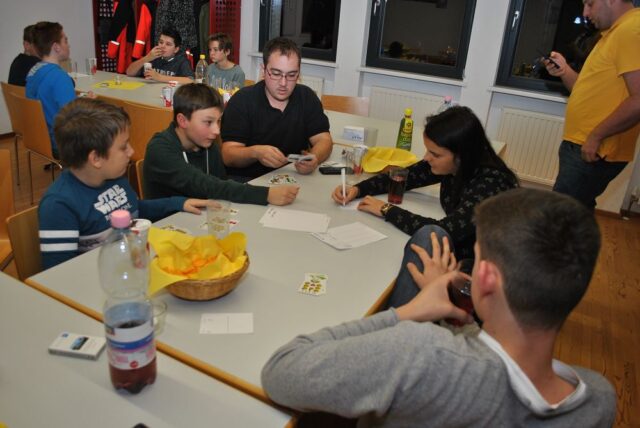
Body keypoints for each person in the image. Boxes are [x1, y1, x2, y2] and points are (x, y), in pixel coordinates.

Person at [262, 188, 616, 427]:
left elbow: (281, 371)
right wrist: (458, 321)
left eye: (474, 261)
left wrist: (407, 312)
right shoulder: (600, 399)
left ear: (487, 278)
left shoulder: (419, 354)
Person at [333, 106, 518, 306]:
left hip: (481, 276)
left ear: (461, 155)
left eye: (435, 154)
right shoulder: (455, 165)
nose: (427, 158)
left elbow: (442, 231)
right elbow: (405, 175)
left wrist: (387, 209)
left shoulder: (490, 184)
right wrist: (359, 189)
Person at [38, 98, 209, 269]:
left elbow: (133, 209)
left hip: (129, 265)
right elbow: (59, 274)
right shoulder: (59, 205)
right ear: (96, 158)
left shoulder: (113, 177)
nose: (132, 151)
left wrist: (178, 203)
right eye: (123, 147)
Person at [544, 0, 640, 209]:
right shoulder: (612, 34)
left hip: (595, 147)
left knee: (559, 217)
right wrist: (564, 71)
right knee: (577, 214)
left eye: (590, 4)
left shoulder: (631, 31)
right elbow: (585, 89)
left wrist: (596, 136)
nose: (585, 13)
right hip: (584, 145)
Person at [144, 83, 299, 205]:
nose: (217, 130)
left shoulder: (207, 144)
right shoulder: (160, 149)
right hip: (167, 227)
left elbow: (221, 184)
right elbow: (207, 185)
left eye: (218, 121)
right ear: (182, 120)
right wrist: (266, 194)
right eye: (208, 122)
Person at [221, 37, 333, 180]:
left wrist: (315, 157)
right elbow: (228, 155)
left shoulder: (307, 97)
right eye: (276, 73)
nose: (283, 83)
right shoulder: (242, 101)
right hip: (248, 183)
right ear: (263, 70)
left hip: (292, 179)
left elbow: (324, 139)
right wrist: (255, 153)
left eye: (292, 75)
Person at [26, 21, 83, 157]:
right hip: (63, 142)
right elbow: (74, 118)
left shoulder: (33, 72)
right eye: (65, 40)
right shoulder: (59, 77)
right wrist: (89, 104)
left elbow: (50, 101)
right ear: (56, 47)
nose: (68, 45)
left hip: (42, 139)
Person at [126, 27, 194, 84]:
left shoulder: (181, 60)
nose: (162, 46)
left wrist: (159, 77)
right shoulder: (153, 56)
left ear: (176, 49)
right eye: (161, 42)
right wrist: (147, 58)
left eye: (168, 44)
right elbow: (129, 72)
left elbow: (190, 80)